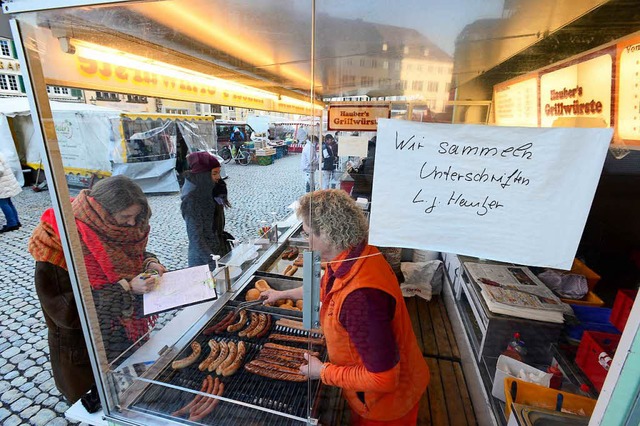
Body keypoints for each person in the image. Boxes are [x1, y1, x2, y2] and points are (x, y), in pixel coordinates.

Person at [261, 190, 429, 425]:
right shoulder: (354, 254)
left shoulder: (361, 299)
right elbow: (325, 287)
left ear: (328, 234)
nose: (305, 240)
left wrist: (323, 372)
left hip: (387, 405)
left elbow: (384, 379)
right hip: (366, 394)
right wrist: (282, 294)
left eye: (308, 233)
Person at [28, 175, 167, 404]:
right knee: (102, 407)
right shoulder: (56, 243)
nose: (132, 224)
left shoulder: (116, 229)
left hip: (124, 338)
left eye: (136, 217)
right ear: (103, 212)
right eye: (126, 217)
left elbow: (132, 256)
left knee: (133, 399)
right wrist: (127, 288)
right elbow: (68, 313)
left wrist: (149, 263)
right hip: (87, 350)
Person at [181, 151, 232, 268]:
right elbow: (196, 237)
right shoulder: (192, 200)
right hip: (203, 260)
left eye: (218, 173)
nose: (218, 177)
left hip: (218, 250)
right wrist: (212, 262)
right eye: (214, 173)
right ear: (203, 175)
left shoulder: (213, 189)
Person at [0, 152, 22, 232]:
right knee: (8, 203)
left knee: (3, 204)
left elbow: (0, 170)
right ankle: (16, 222)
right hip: (5, 183)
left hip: (2, 185)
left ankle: (12, 223)